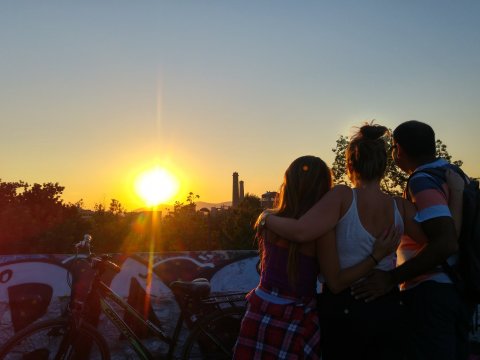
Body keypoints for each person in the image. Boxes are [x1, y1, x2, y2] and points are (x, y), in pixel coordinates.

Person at [261, 123, 463, 360]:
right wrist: (456, 196)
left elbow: (311, 247)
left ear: (349, 165)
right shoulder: (400, 207)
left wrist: (265, 217)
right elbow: (446, 240)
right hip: (388, 308)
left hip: (344, 312)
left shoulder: (341, 198)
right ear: (384, 166)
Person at [233, 155, 398, 360]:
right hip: (295, 316)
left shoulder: (271, 222)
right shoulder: (322, 233)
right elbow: (336, 282)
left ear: (289, 183)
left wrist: (265, 215)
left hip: (259, 310)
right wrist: (376, 255)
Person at [352, 120, 473, 360]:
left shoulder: (422, 181)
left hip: (431, 294)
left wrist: (391, 278)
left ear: (399, 150)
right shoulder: (455, 175)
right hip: (458, 288)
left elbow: (447, 243)